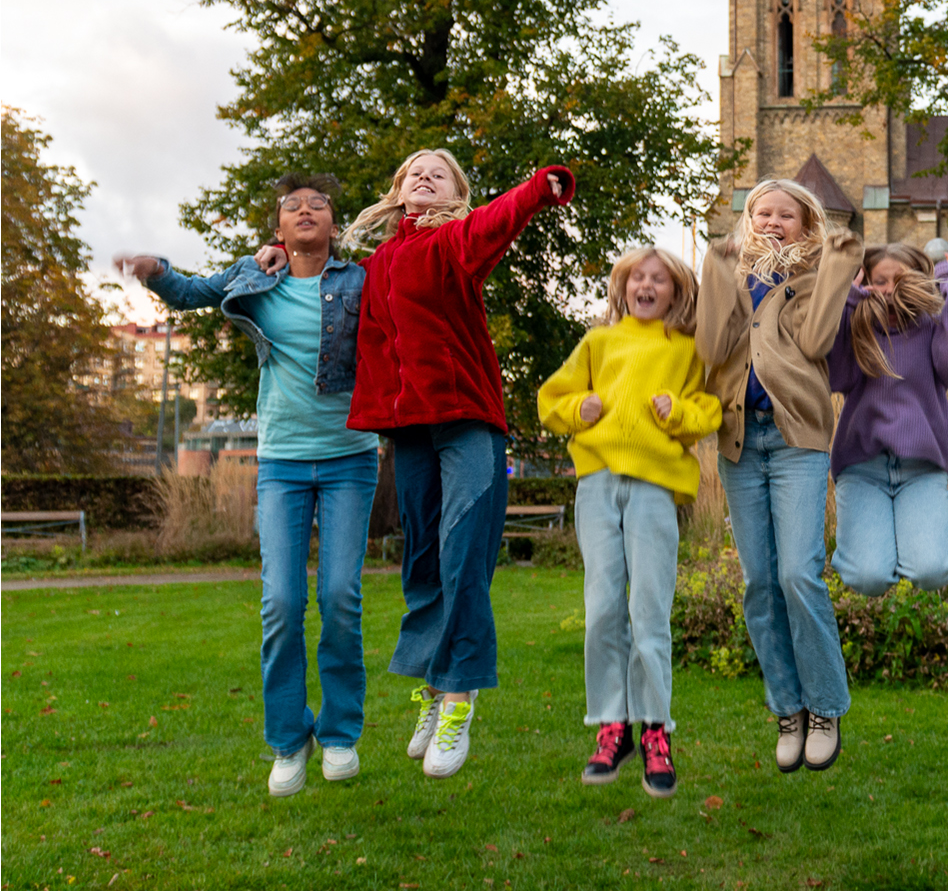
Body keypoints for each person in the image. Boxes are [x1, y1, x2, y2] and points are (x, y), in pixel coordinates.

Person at [263, 149, 574, 780]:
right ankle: (435, 689)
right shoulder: (375, 266)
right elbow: (316, 278)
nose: (424, 177)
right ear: (399, 191)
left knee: (463, 557)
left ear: (456, 193)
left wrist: (540, 188)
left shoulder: (456, 241)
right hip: (409, 433)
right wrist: (270, 258)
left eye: (439, 172)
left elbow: (497, 221)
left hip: (467, 425)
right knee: (423, 564)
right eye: (413, 172)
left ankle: (459, 698)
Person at [118, 172, 380, 798]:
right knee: (282, 604)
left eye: (320, 206)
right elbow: (191, 292)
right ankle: (290, 740)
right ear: (279, 231)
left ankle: (340, 733)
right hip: (283, 464)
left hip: (350, 459)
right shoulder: (255, 276)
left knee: (341, 595)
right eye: (295, 207)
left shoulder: (361, 282)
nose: (308, 211)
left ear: (334, 228)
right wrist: (156, 270)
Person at [539, 247, 720, 796]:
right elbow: (551, 400)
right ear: (623, 288)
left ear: (675, 292)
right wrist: (578, 410)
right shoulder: (598, 343)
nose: (646, 285)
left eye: (658, 279)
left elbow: (707, 413)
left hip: (653, 491)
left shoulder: (686, 351)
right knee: (602, 610)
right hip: (596, 486)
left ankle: (655, 730)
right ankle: (611, 725)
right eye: (636, 277)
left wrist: (678, 414)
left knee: (648, 611)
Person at [696, 179, 863, 774]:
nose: (771, 220)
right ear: (747, 220)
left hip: (796, 441)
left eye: (784, 214)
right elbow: (713, 348)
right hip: (740, 444)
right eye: (761, 211)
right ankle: (787, 708)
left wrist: (839, 267)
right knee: (760, 583)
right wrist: (716, 274)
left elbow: (817, 340)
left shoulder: (814, 277)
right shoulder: (731, 276)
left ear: (806, 225)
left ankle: (825, 708)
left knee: (797, 573)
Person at [827, 243, 948, 598]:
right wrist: (848, 301)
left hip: (921, 470)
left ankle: (920, 548)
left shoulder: (932, 329)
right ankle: (873, 554)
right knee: (867, 579)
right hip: (861, 468)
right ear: (863, 284)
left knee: (933, 570)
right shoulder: (859, 328)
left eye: (899, 281)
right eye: (878, 281)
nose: (888, 290)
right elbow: (836, 375)